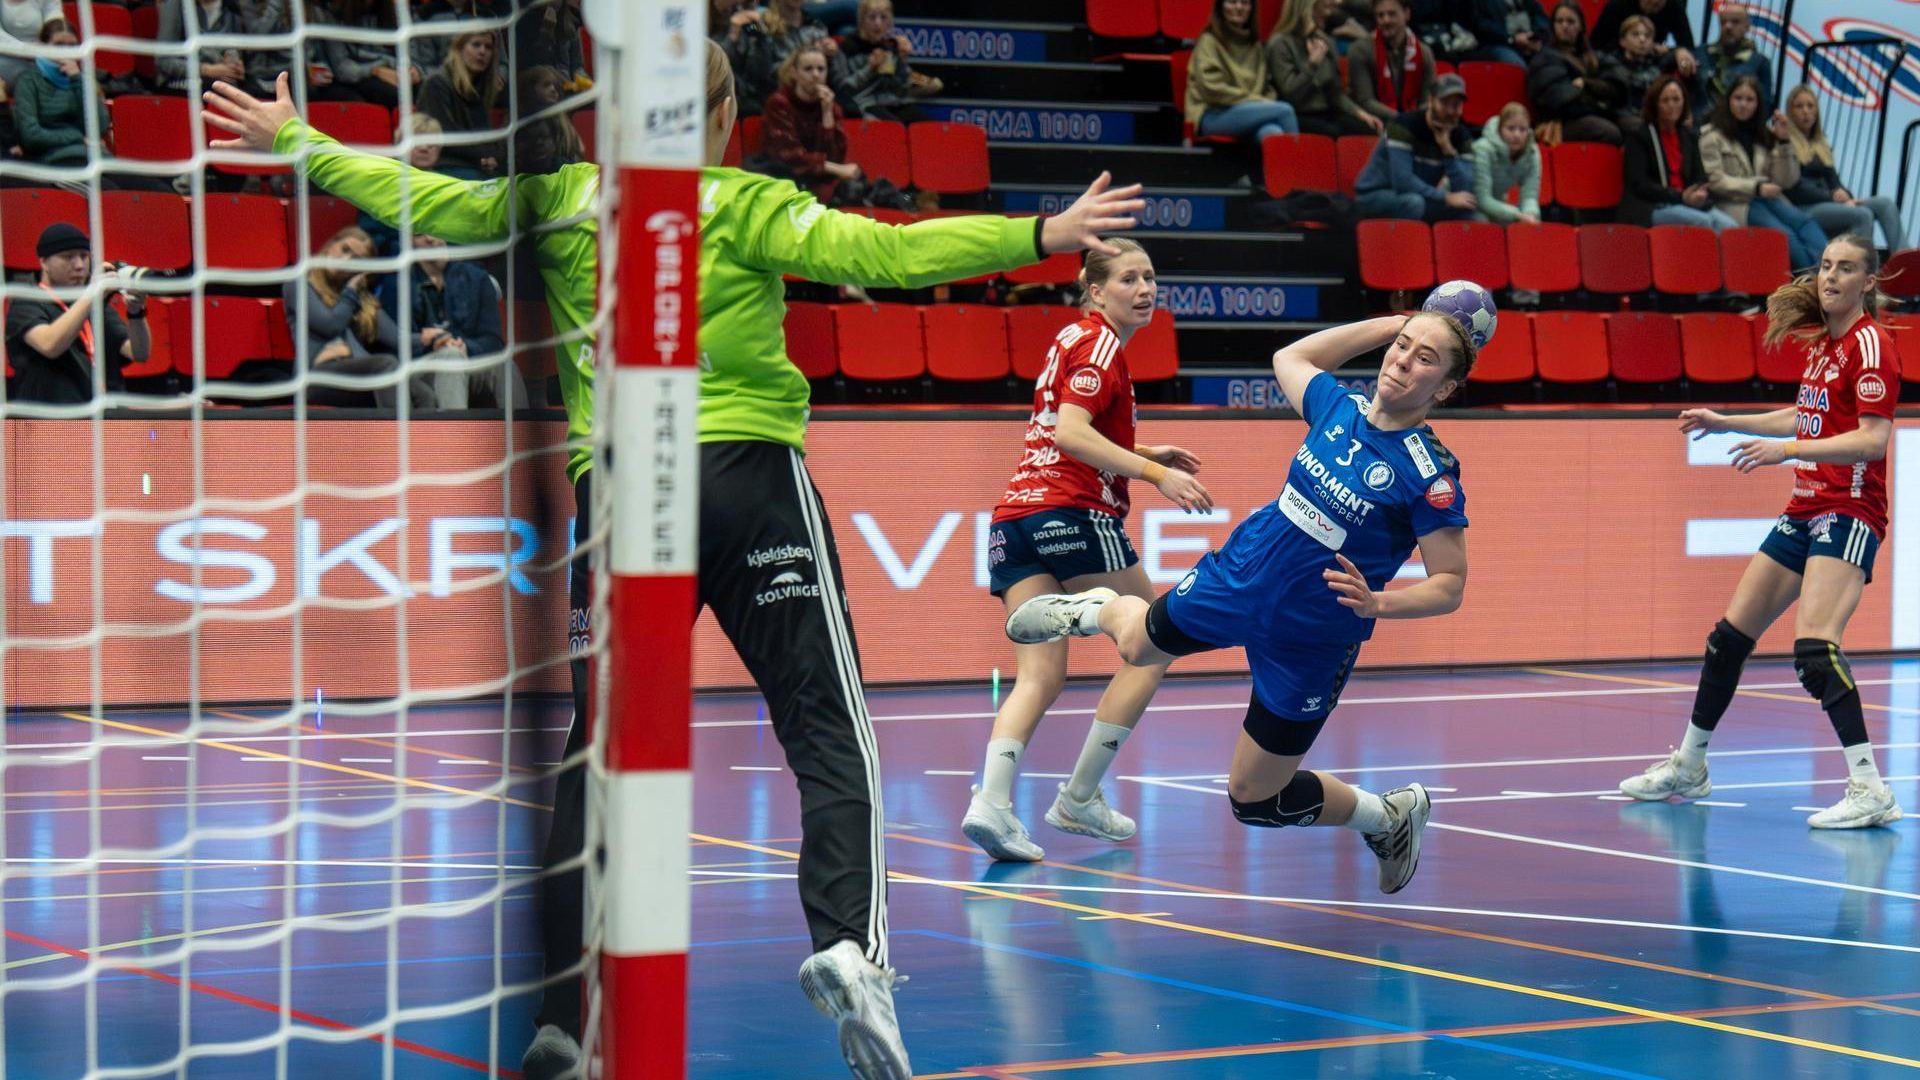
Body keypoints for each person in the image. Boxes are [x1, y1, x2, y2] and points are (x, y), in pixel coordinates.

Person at [202, 43, 1143, 1080]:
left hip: (619, 494)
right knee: (826, 725)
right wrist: (1039, 235)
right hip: (749, 479)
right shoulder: (746, 203)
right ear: (726, 115)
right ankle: (850, 950)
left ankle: (563, 1016)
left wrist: (296, 139)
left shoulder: (561, 200)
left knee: (594, 751)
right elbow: (888, 254)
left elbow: (425, 197)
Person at [1002, 309, 1476, 896]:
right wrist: (1392, 323)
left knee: (1255, 800)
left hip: (1313, 637)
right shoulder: (1337, 408)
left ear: (1445, 388)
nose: (1402, 361)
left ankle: (1387, 817)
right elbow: (1290, 358)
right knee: (1138, 645)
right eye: (1401, 347)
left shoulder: (1430, 476)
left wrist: (1379, 603)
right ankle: (1086, 610)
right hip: (1241, 579)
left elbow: (1450, 583)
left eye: (1424, 358)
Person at [1618, 233, 1903, 831]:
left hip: (1849, 511)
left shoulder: (1871, 345)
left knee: (1815, 650)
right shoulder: (1825, 346)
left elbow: (1873, 440)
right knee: (1728, 639)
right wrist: (1728, 422)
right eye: (1825, 266)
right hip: (1805, 507)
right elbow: (1806, 415)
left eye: (1846, 268)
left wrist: (1787, 451)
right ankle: (1689, 765)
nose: (1831, 277)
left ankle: (1870, 788)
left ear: (1868, 283)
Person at [962, 240, 1212, 863]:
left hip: (1014, 520)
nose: (1145, 289)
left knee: (1039, 675)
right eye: (1129, 279)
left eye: (1150, 276)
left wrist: (1143, 450)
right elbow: (1072, 434)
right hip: (1071, 512)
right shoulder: (1100, 343)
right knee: (1156, 641)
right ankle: (1079, 796)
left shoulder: (1073, 340)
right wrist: (1156, 475)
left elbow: (1059, 428)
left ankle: (991, 803)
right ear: (1095, 290)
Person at [282, 225, 438, 409]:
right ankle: (395, 428)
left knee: (424, 394)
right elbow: (329, 325)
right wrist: (350, 293)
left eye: (355, 259)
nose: (345, 259)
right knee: (385, 365)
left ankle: (424, 430)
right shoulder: (299, 284)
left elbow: (397, 339)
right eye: (344, 249)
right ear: (331, 245)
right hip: (314, 378)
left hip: (356, 373)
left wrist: (432, 338)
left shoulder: (360, 299)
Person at [5, 223, 151, 404]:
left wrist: (136, 313)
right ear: (44, 262)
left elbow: (139, 352)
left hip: (104, 412)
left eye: (84, 256)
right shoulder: (27, 302)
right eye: (68, 257)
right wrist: (91, 295)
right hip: (51, 415)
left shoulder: (96, 306)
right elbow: (49, 344)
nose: (80, 265)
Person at [378, 233, 529, 409]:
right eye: (420, 234)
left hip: (469, 360)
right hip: (419, 371)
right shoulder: (396, 283)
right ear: (409, 240)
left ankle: (519, 426)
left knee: (505, 364)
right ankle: (454, 427)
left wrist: (465, 346)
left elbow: (493, 341)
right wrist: (429, 343)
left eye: (434, 231)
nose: (430, 238)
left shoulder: (477, 279)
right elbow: (393, 347)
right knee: (451, 356)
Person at [1699, 75, 1827, 269]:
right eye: (1738, 98)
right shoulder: (1711, 136)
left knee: (1806, 222)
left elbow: (1786, 181)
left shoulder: (1763, 135)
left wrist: (1784, 142)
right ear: (1728, 100)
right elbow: (1715, 181)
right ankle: (1811, 281)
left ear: (1758, 104)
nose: (1743, 104)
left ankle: (1826, 275)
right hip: (1735, 203)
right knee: (1785, 235)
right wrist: (1756, 187)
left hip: (1767, 200)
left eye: (1749, 100)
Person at [1781, 86, 1905, 253]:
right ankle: (1858, 263)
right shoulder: (1785, 142)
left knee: (1885, 204)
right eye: (1799, 106)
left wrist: (1847, 195)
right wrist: (1833, 197)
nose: (1806, 111)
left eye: (1810, 106)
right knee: (1862, 214)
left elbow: (1834, 180)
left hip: (1829, 201)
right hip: (1804, 206)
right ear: (1790, 111)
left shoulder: (1821, 143)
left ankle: (1905, 258)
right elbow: (1794, 188)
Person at [1352, 72, 1480, 221]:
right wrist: (1445, 197)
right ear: (1431, 101)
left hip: (1421, 196)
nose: (1451, 111)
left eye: (1456, 105)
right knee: (1414, 203)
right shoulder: (1404, 125)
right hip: (1376, 194)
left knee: (1470, 213)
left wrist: (1448, 152)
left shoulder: (1462, 136)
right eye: (1445, 103)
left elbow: (1465, 190)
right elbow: (1403, 182)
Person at [1619, 74, 1735, 230]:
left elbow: (1699, 175)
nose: (1672, 105)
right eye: (1665, 100)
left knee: (1729, 226)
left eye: (1676, 99)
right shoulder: (1640, 136)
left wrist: (1698, 192)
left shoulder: (1688, 136)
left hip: (1685, 201)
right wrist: (1680, 196)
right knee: (1702, 222)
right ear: (1655, 104)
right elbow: (1639, 185)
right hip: (1652, 204)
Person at [1186, 0, 1299, 144]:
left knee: (1272, 132)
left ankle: (1285, 158)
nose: (1239, 7)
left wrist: (1262, 101)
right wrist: (1256, 100)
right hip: (1212, 114)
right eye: (1232, 2)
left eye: (1245, 3)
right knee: (1285, 110)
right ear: (1220, 7)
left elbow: (1267, 88)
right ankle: (1299, 159)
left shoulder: (1255, 45)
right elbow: (1211, 89)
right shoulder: (1208, 41)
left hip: (1249, 112)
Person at [1268, 0, 1384, 136]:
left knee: (1369, 129)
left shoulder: (1325, 40)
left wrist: (1360, 113)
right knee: (1333, 132)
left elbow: (1335, 94)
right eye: (1322, 10)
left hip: (1328, 111)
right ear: (1307, 11)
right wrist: (1312, 65)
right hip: (1297, 114)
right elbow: (1291, 96)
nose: (1328, 15)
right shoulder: (1280, 44)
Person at [761, 44, 861, 201]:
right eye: (808, 69)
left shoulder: (832, 107)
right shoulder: (779, 103)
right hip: (784, 177)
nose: (815, 75)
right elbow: (789, 156)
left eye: (821, 69)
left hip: (819, 180)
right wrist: (835, 169)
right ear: (794, 73)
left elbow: (835, 156)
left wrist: (827, 114)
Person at [1527, 0, 1625, 145]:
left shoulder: (1594, 56)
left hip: (1596, 114)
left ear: (1581, 26)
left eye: (1571, 21)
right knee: (1608, 132)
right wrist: (1599, 99)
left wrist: (1586, 84)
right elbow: (1558, 99)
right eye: (1559, 21)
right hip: (1561, 122)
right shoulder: (1544, 58)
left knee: (1634, 127)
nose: (1564, 26)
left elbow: (1618, 85)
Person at [417, 30, 507, 180]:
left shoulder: (480, 87)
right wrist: (488, 153)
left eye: (488, 47)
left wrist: (493, 156)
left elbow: (483, 134)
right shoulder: (437, 83)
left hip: (474, 165)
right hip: (444, 165)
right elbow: (445, 136)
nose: (482, 51)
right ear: (459, 49)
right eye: (476, 45)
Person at [830, 0, 935, 122]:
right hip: (864, 104)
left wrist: (902, 61)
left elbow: (899, 86)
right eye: (872, 17)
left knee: (926, 128)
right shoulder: (845, 48)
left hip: (893, 102)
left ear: (890, 22)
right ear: (862, 20)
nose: (878, 23)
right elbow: (843, 89)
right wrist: (870, 69)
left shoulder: (889, 47)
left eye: (883, 17)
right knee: (893, 127)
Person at [732, 0, 836, 119]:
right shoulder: (758, 25)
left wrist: (832, 56)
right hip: (770, 100)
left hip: (813, 102)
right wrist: (762, 41)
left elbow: (837, 79)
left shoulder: (816, 26)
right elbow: (756, 76)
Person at [155, 0, 270, 97]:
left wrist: (233, 64)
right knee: (223, 91)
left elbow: (232, 48)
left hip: (219, 77)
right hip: (180, 79)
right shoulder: (176, 6)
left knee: (256, 93)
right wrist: (207, 70)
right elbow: (163, 61)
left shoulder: (232, 8)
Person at [1347, 0, 1437, 125]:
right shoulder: (1360, 50)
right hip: (1373, 122)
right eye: (1380, 15)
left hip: (1414, 122)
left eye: (1392, 14)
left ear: (1406, 14)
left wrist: (1414, 121)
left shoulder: (1424, 53)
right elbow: (1365, 101)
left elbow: (1427, 101)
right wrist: (1404, 120)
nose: (1386, 20)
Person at [316, 0, 416, 109]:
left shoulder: (391, 12)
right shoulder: (332, 15)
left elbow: (405, 53)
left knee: (415, 91)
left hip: (388, 71)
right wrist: (376, 70)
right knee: (389, 94)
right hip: (351, 78)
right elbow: (342, 69)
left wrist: (411, 70)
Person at [1470, 101, 1541, 224]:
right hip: (1469, 202)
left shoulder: (1532, 153)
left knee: (1530, 224)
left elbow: (1530, 196)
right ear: (1500, 129)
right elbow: (1482, 199)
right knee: (1483, 223)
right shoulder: (1482, 148)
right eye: (1511, 128)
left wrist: (1530, 214)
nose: (1517, 135)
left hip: (1497, 204)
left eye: (1522, 129)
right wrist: (1516, 214)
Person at [1698, 1, 1771, 116]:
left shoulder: (1759, 63)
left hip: (1738, 124)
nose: (1728, 26)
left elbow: (1765, 107)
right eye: (1723, 22)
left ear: (1747, 27)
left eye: (1735, 22)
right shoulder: (1701, 54)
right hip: (1700, 122)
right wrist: (1679, 53)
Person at [1589, 0, 1695, 79]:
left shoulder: (1674, 7)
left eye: (1659, 2)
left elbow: (1688, 45)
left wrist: (1678, 51)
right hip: (1613, 61)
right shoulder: (1618, 5)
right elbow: (1594, 46)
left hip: (1651, 63)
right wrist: (1629, 47)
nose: (1654, 2)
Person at [512, 64, 585, 176]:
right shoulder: (518, 118)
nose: (553, 90)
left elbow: (579, 151)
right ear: (531, 89)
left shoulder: (563, 119)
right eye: (546, 85)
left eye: (555, 86)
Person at [1605, 14, 1671, 132]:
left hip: (1651, 119)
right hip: (1622, 119)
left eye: (1647, 36)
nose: (1642, 39)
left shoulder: (1656, 72)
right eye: (1635, 34)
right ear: (1622, 41)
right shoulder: (1612, 66)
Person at [1463, 0, 1546, 67]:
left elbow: (1539, 16)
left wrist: (1534, 36)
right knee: (1516, 66)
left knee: (1549, 60)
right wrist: (1512, 38)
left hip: (1529, 41)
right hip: (1496, 44)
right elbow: (1480, 24)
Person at [0, 0, 59, 91]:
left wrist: (47, 47)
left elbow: (56, 27)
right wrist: (26, 50)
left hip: (42, 57)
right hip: (5, 58)